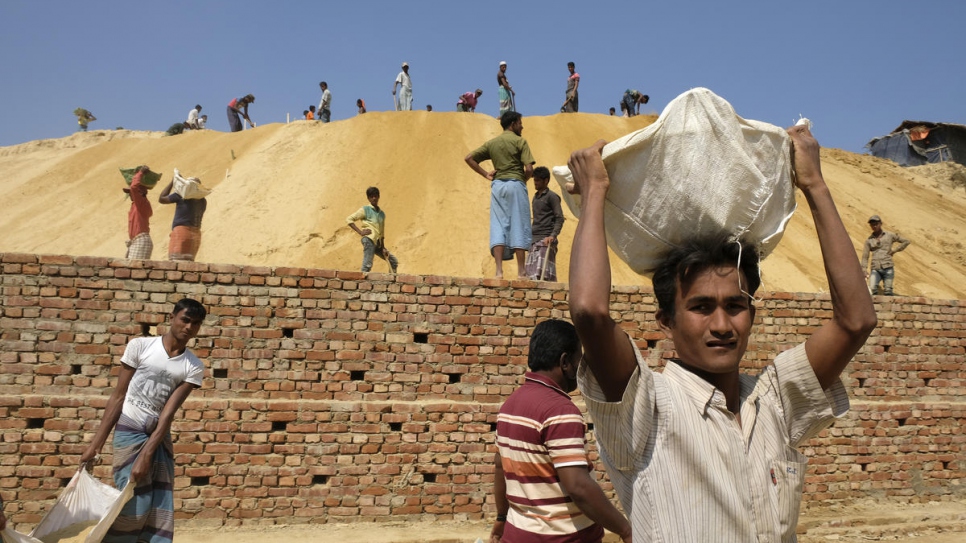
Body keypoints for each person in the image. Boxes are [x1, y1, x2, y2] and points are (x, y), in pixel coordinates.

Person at [565, 126, 877, 542]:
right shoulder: (646, 406)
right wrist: (595, 193)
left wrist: (815, 186)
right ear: (666, 320)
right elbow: (589, 311)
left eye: (736, 306)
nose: (722, 326)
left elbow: (856, 321)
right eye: (700, 307)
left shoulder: (775, 401)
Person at [491, 319, 632, 543]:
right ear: (565, 362)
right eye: (579, 359)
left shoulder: (509, 406)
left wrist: (501, 516)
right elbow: (578, 486)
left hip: (516, 534)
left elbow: (500, 466)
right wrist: (625, 529)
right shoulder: (560, 411)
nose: (581, 368)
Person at [79, 298, 206, 543]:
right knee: (134, 501)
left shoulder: (193, 366)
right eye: (185, 320)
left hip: (158, 437)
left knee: (159, 503)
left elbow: (167, 414)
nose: (189, 327)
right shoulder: (140, 346)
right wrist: (94, 446)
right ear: (172, 317)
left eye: (196, 324)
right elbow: (118, 397)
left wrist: (148, 454)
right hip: (129, 429)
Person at [465, 111, 535, 279]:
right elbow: (529, 169)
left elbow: (469, 158)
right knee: (519, 223)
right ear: (513, 124)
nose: (522, 126)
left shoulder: (493, 143)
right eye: (520, 123)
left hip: (498, 186)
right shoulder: (520, 141)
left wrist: (485, 174)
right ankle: (521, 272)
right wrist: (523, 179)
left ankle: (498, 271)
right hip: (516, 184)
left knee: (498, 224)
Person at [524, 166, 565, 282]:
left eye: (537, 180)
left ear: (546, 181)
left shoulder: (552, 197)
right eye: (534, 180)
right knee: (531, 277)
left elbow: (559, 218)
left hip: (545, 241)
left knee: (543, 276)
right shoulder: (535, 197)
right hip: (533, 240)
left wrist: (552, 235)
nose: (535, 183)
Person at [346, 186, 399, 274]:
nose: (374, 198)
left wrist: (383, 247)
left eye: (375, 196)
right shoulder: (365, 209)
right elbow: (349, 219)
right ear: (368, 198)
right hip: (369, 239)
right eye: (371, 196)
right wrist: (360, 232)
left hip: (378, 243)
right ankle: (362, 283)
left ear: (378, 196)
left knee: (393, 261)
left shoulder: (382, 214)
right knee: (367, 265)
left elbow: (381, 232)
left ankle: (391, 281)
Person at [861, 214, 911, 296]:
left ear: (880, 224)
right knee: (872, 289)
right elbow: (865, 256)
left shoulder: (889, 235)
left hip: (888, 267)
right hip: (875, 268)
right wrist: (864, 269)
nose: (874, 226)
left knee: (888, 291)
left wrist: (894, 250)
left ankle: (889, 308)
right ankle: (875, 308)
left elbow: (906, 241)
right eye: (872, 225)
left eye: (876, 224)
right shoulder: (869, 240)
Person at [159, 180, 207, 261]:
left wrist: (172, 182)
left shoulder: (181, 195)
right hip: (196, 234)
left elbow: (162, 199)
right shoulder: (203, 200)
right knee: (188, 264)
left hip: (181, 232)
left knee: (175, 262)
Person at [122, 166, 155, 260]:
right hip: (136, 241)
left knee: (135, 270)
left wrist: (140, 173)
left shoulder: (142, 202)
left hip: (141, 240)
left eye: (131, 193)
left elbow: (134, 187)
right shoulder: (136, 205)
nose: (130, 195)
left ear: (140, 192)